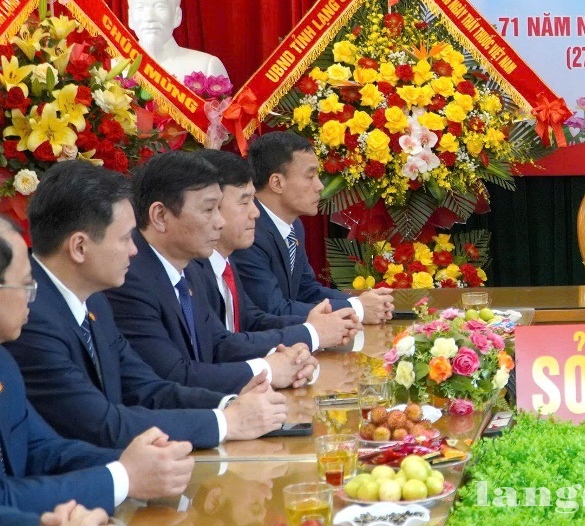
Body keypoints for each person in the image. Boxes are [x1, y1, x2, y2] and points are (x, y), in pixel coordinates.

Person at [6, 161, 287, 450]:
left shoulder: (95, 301)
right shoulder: (31, 318)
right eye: (125, 238)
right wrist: (226, 422)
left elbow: (146, 388)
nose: (134, 250)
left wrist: (230, 404)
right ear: (79, 247)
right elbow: (101, 425)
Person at [0, 211, 193, 515]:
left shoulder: (4, 361)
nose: (32, 298)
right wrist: (123, 477)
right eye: (25, 285)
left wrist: (140, 462)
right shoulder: (34, 333)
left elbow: (42, 450)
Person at [104, 152, 317, 395]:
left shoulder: (190, 267)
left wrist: (289, 360)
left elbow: (218, 344)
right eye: (208, 209)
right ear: (160, 216)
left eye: (219, 208)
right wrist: (267, 370)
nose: (219, 222)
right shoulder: (130, 280)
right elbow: (174, 375)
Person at [192, 149, 361, 350]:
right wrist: (312, 333)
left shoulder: (225, 261)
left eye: (253, 201)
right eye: (245, 202)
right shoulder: (192, 272)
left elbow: (252, 320)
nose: (255, 213)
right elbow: (221, 346)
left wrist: (318, 326)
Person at [231, 132, 393, 323]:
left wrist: (361, 302)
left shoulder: (294, 225)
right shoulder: (248, 232)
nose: (319, 186)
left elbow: (306, 290)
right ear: (277, 183)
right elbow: (273, 309)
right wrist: (358, 309)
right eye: (310, 176)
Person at [126, 0, 228, 83]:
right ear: (130, 18)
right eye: (140, 8)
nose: (149, 17)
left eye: (160, 7)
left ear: (177, 16)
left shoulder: (206, 66)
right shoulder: (117, 68)